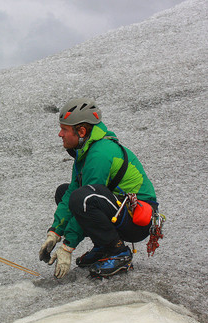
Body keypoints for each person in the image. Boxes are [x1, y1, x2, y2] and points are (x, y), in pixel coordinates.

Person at [39, 97, 158, 279]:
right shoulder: (85, 151)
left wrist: (67, 246)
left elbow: (85, 200)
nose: (60, 134)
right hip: (118, 209)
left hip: (136, 220)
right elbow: (72, 191)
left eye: (64, 129)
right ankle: (103, 246)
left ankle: (119, 252)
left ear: (82, 131)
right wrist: (54, 232)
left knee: (82, 198)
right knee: (65, 192)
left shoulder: (99, 154)